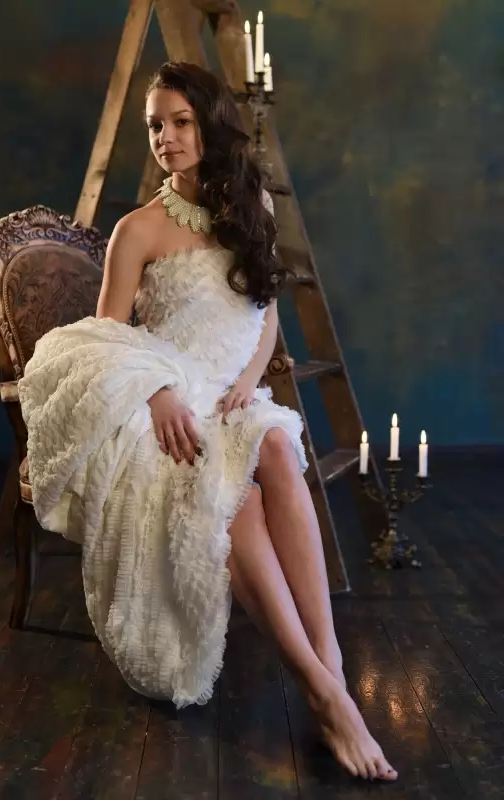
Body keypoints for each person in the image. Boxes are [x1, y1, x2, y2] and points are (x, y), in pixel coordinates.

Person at [19, 61, 397, 783]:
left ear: (210, 125)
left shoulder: (249, 209)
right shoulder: (137, 228)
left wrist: (250, 382)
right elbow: (103, 340)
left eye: (180, 122)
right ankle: (319, 690)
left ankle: (332, 668)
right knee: (235, 499)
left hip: (232, 397)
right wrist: (160, 390)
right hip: (168, 407)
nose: (165, 137)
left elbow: (264, 313)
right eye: (154, 126)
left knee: (278, 444)